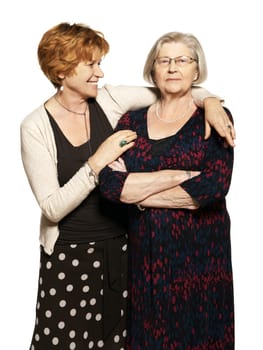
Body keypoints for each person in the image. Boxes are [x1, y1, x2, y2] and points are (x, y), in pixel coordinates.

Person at [20, 23, 235, 350]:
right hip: (70, 254)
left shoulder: (110, 101)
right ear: (62, 71)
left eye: (98, 63)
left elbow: (174, 88)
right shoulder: (35, 126)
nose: (100, 72)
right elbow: (54, 206)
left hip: (123, 250)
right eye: (91, 64)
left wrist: (212, 102)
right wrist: (99, 161)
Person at [99, 31, 234, 349]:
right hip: (145, 263)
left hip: (200, 263)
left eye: (183, 60)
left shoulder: (213, 118)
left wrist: (138, 195)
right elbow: (109, 184)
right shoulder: (130, 122)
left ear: (196, 70)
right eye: (164, 60)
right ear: (152, 70)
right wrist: (175, 176)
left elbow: (212, 186)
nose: (173, 67)